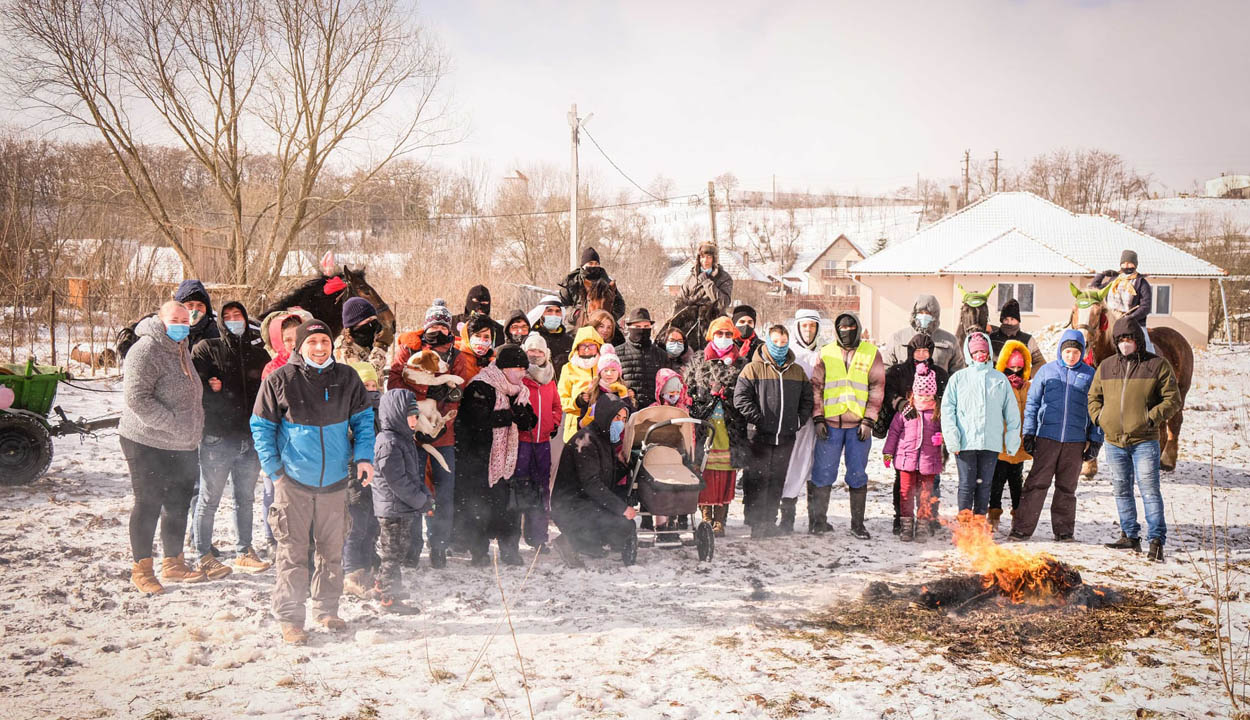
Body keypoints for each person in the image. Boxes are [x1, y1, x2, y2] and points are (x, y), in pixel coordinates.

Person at [250, 318, 376, 645]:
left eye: (324, 342)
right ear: (299, 346)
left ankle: (327, 609)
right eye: (312, 342)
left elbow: (364, 422)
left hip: (335, 481)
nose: (319, 348)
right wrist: (274, 469)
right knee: (292, 552)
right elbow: (261, 427)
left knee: (331, 551)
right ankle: (291, 618)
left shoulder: (347, 378)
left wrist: (364, 457)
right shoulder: (281, 380)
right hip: (293, 481)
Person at [120, 301, 208, 594]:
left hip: (182, 442)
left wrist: (191, 427)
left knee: (178, 503)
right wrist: (171, 423)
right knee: (149, 502)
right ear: (160, 320)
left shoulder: (182, 346)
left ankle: (173, 562)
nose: (182, 323)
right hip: (147, 440)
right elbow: (136, 398)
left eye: (186, 319)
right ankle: (142, 568)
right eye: (175, 319)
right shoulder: (146, 350)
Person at [190, 300, 272, 578]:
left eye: (239, 315)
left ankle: (244, 550)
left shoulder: (257, 355)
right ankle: (203, 553)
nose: (234, 319)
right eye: (228, 316)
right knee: (209, 497)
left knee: (245, 498)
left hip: (250, 439)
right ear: (221, 321)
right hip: (217, 437)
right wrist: (210, 386)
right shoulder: (207, 348)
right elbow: (193, 385)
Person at [1088, 317, 1181, 562]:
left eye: (1129, 339)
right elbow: (1093, 397)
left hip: (1144, 441)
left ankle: (1157, 539)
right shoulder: (1107, 366)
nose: (1125, 344)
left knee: (1149, 490)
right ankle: (1129, 534)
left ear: (1138, 340)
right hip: (1114, 441)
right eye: (1121, 339)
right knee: (1121, 489)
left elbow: (1173, 399)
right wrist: (1101, 418)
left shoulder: (1157, 365)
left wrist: (1150, 418)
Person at [387, 299, 467, 569]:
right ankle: (411, 547)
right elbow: (395, 383)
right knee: (413, 490)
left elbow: (457, 391)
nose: (439, 334)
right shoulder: (407, 348)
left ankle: (439, 545)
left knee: (444, 493)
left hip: (443, 432)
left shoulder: (456, 355)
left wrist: (442, 420)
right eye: (433, 328)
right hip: (412, 432)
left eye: (444, 329)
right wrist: (425, 391)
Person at [1009, 331, 1103, 542]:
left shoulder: (1090, 375)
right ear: (1061, 350)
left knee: (1067, 487)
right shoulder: (1047, 371)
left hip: (1075, 441)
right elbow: (1032, 404)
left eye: (1076, 352)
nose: (1071, 356)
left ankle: (1063, 531)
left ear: (1082, 352)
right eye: (1067, 351)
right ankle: (1022, 528)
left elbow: (1098, 409)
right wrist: (1030, 433)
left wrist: (1096, 439)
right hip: (1047, 438)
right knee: (1036, 483)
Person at [455, 344, 538, 566]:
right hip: (479, 458)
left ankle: (510, 550)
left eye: (524, 369)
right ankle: (479, 552)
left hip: (506, 460)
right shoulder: (480, 386)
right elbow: (477, 421)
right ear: (504, 368)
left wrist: (522, 416)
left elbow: (530, 421)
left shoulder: (519, 391)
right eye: (517, 368)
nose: (522, 373)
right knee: (479, 507)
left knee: (509, 507)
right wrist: (508, 416)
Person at [733, 325, 814, 539]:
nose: (780, 346)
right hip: (758, 435)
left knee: (777, 479)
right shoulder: (753, 368)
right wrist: (758, 419)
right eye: (776, 342)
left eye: (783, 342)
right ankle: (756, 522)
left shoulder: (796, 371)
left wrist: (797, 420)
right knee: (758, 479)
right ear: (768, 343)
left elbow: (807, 400)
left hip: (786, 436)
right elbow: (741, 399)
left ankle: (770, 521)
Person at [809, 312, 884, 539]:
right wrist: (818, 417)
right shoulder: (826, 352)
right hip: (830, 425)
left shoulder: (871, 353)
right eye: (842, 327)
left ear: (858, 328)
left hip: (858, 426)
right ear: (836, 329)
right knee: (823, 472)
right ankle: (819, 522)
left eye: (851, 328)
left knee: (857, 473)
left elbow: (877, 388)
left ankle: (857, 525)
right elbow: (816, 387)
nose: (847, 331)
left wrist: (869, 420)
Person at [941, 332, 1020, 520]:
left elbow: (1011, 413)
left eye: (983, 351)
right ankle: (965, 525)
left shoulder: (999, 380)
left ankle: (978, 524)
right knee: (967, 485)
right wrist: (952, 438)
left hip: (990, 442)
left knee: (985, 485)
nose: (980, 355)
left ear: (989, 352)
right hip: (965, 442)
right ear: (969, 354)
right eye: (975, 351)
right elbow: (947, 410)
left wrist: (1011, 440)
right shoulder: (959, 379)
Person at [551, 395, 638, 567]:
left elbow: (605, 477)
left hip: (586, 502)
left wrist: (624, 466)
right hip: (570, 506)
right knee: (621, 524)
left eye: (623, 419)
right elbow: (592, 483)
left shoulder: (604, 439)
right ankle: (569, 541)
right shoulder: (586, 441)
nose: (620, 422)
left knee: (625, 525)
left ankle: (588, 544)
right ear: (605, 415)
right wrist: (621, 508)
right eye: (616, 417)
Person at [878, 333, 950, 535]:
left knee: (930, 483)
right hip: (906, 437)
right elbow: (889, 392)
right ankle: (901, 519)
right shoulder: (899, 371)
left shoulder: (939, 373)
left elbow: (946, 399)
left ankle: (927, 518)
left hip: (930, 437)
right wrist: (900, 404)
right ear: (911, 351)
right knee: (904, 483)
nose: (921, 354)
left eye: (925, 350)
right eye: (917, 350)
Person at [371, 388, 432, 614]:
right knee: (393, 554)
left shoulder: (402, 439)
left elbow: (412, 476)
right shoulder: (389, 443)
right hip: (393, 510)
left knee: (395, 550)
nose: (416, 420)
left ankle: (381, 586)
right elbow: (397, 481)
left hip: (401, 507)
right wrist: (420, 501)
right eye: (412, 416)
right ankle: (389, 597)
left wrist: (424, 494)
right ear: (397, 415)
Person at [686, 318, 749, 536]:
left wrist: (728, 395)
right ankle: (706, 517)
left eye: (728, 334)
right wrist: (703, 398)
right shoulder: (698, 360)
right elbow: (689, 391)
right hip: (705, 426)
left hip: (730, 427)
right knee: (705, 470)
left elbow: (747, 394)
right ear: (711, 336)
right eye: (719, 334)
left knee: (726, 474)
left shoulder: (741, 362)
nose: (724, 338)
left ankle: (721, 520)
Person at [516, 335, 562, 551]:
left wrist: (552, 423)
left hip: (542, 442)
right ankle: (512, 537)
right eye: (531, 351)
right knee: (518, 488)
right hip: (521, 442)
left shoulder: (550, 378)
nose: (535, 355)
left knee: (541, 490)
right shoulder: (519, 377)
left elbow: (556, 406)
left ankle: (539, 537)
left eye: (539, 351)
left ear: (546, 355)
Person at [779, 309, 822, 535]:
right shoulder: (789, 353)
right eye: (804, 326)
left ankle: (817, 518)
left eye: (812, 326)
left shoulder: (823, 354)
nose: (808, 330)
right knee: (793, 466)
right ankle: (788, 517)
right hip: (795, 421)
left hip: (818, 420)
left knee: (816, 467)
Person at [342, 361, 382, 597]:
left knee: (371, 524)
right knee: (355, 524)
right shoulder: (348, 409)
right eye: (363, 385)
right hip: (353, 471)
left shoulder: (381, 408)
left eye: (372, 385)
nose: (370, 390)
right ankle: (351, 570)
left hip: (375, 473)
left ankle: (366, 564)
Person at [989, 341, 1033, 533]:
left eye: (1019, 367)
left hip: (1019, 443)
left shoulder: (1027, 387)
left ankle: (1018, 516)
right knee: (996, 482)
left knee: (1017, 482)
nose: (1014, 371)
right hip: (1000, 443)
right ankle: (993, 516)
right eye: (1011, 367)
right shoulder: (999, 385)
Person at [1092, 249, 1155, 352]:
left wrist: (1130, 318)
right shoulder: (1114, 280)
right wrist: (1102, 274)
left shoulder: (1141, 283)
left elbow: (1145, 307)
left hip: (1132, 321)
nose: (1127, 266)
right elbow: (1094, 288)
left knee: (1147, 346)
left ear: (1135, 265)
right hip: (1111, 320)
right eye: (1124, 263)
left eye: (1130, 263)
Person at [882, 294, 962, 374]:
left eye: (928, 313)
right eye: (920, 312)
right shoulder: (898, 338)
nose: (924, 316)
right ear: (914, 314)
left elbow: (958, 373)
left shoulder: (950, 341)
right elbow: (886, 368)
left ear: (935, 315)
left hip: (939, 385)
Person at [557, 326, 604, 441]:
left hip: (600, 425)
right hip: (575, 428)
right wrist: (577, 402)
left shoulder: (604, 366)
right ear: (576, 347)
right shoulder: (568, 368)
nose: (587, 349)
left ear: (598, 347)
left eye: (591, 345)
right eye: (583, 345)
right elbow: (560, 400)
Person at [617, 308, 667, 408]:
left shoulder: (661, 354)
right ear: (629, 327)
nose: (642, 330)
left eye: (646, 326)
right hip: (627, 411)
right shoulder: (617, 353)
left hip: (655, 411)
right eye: (637, 326)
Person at [559, 246, 627, 320]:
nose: (594, 266)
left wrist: (611, 317)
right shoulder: (571, 282)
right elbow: (561, 305)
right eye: (590, 263)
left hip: (604, 322)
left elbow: (620, 305)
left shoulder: (607, 282)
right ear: (583, 265)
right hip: (576, 322)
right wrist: (576, 314)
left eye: (596, 263)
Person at [578, 344, 634, 429]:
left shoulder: (625, 390)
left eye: (613, 370)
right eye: (605, 370)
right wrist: (583, 423)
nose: (609, 374)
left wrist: (624, 396)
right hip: (595, 436)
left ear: (619, 373)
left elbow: (631, 418)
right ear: (600, 372)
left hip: (618, 437)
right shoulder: (592, 391)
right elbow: (581, 421)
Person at [334, 297, 389, 380]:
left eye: (374, 319)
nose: (373, 324)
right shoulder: (344, 348)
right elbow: (364, 377)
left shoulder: (366, 341)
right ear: (354, 324)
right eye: (368, 321)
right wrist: (380, 348)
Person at [677, 241, 733, 319]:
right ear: (698, 258)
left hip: (714, 318)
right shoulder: (690, 279)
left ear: (714, 259)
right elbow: (680, 301)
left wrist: (707, 283)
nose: (705, 260)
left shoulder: (724, 278)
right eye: (702, 257)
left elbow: (723, 303)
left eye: (709, 257)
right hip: (690, 320)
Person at [989, 298, 1046, 368]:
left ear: (1018, 320)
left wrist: (1027, 376)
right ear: (1002, 320)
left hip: (1019, 377)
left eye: (1012, 319)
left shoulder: (1028, 340)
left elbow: (1040, 363)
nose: (1009, 322)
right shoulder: (992, 338)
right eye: (1006, 319)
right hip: (996, 377)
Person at [530, 295, 573, 375]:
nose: (554, 315)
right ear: (541, 314)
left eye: (557, 311)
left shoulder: (569, 341)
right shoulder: (533, 338)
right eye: (549, 311)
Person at [174, 279, 220, 348]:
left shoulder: (216, 333)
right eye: (190, 305)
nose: (195, 310)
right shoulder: (170, 332)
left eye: (200, 305)